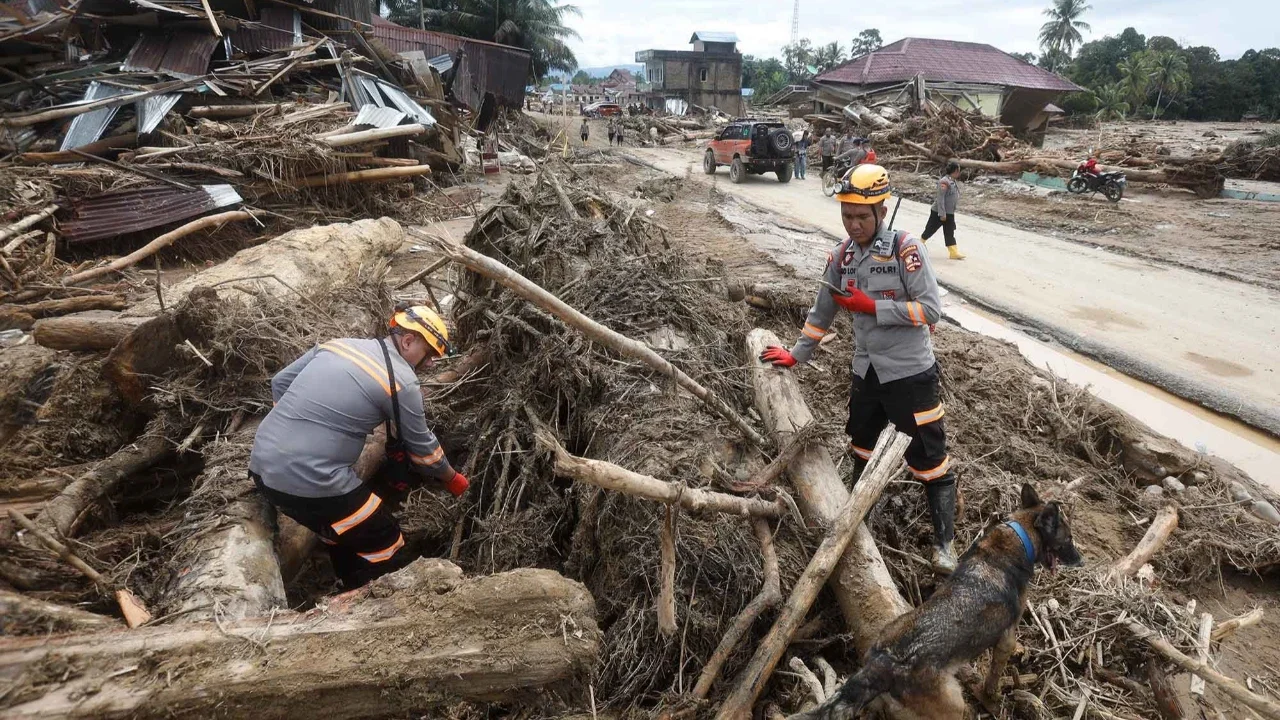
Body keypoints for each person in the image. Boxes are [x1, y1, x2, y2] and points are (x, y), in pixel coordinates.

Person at [758, 164, 959, 573]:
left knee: (929, 459)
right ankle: (858, 525)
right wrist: (797, 354)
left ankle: (944, 546)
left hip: (910, 374)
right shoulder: (842, 256)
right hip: (866, 373)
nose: (854, 224)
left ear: (881, 211)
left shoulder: (906, 250)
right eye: (847, 215)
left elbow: (932, 309)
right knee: (861, 447)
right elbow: (822, 311)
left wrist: (874, 308)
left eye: (862, 216)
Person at [248, 305, 470, 589]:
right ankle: (378, 604)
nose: (430, 364)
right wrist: (453, 479)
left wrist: (296, 432)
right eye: (429, 354)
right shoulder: (401, 382)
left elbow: (280, 383)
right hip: (312, 480)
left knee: (340, 528)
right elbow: (425, 453)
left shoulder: (337, 346)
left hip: (262, 467)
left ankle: (349, 584)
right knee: (386, 540)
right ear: (408, 341)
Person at [922, 160, 965, 260]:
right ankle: (920, 243)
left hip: (949, 212)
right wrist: (942, 213)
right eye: (958, 170)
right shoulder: (944, 182)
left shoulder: (952, 181)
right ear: (954, 171)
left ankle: (953, 252)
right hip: (939, 212)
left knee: (950, 231)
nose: (959, 173)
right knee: (930, 229)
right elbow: (940, 198)